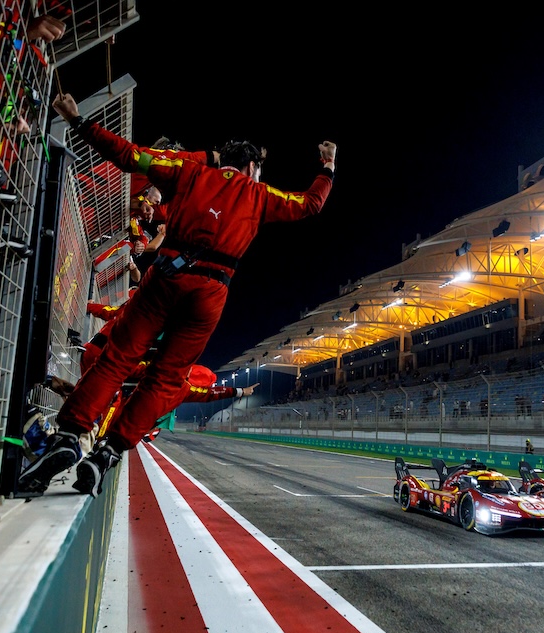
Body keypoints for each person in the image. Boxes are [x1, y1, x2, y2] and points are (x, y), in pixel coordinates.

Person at [18, 93, 336, 497]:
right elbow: (310, 204)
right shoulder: (260, 195)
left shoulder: (189, 170)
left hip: (166, 276)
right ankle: (110, 451)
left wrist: (80, 123)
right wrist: (327, 166)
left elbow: (133, 157)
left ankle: (69, 436)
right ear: (253, 167)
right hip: (211, 292)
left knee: (118, 357)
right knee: (168, 379)